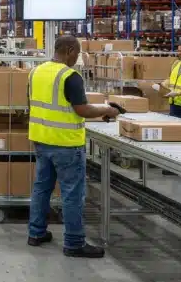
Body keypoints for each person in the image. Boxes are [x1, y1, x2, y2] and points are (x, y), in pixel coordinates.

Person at [27, 36, 120, 258]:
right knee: (72, 194)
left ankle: (36, 233)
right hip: (66, 144)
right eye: (77, 54)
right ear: (69, 50)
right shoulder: (70, 76)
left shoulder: (36, 72)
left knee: (41, 188)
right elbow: (82, 110)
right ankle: (74, 243)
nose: (77, 58)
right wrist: (107, 110)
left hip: (41, 140)